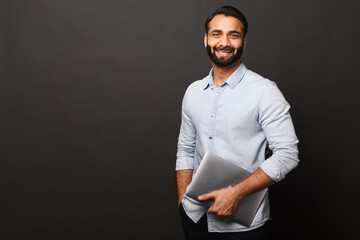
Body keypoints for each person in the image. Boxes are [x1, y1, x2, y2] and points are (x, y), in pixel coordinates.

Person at [175, 6, 299, 240]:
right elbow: (185, 149)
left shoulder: (265, 91)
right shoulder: (193, 92)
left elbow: (288, 154)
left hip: (244, 227)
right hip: (195, 219)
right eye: (216, 34)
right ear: (206, 40)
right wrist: (183, 201)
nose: (224, 42)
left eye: (233, 35)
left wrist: (236, 193)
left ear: (244, 42)